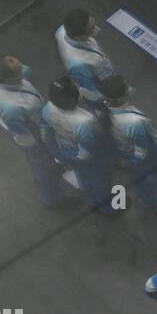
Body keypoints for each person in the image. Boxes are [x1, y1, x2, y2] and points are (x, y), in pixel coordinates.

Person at [100, 75, 157, 221]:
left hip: (125, 151)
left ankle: (147, 199)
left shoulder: (105, 111)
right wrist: (137, 161)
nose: (129, 89)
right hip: (148, 156)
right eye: (126, 88)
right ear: (120, 98)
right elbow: (143, 148)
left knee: (138, 178)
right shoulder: (134, 122)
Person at [0, 55, 67, 208]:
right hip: (32, 135)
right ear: (9, 79)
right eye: (19, 69)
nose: (24, 68)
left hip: (27, 127)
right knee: (45, 165)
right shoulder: (13, 106)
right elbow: (30, 131)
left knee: (39, 163)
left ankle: (40, 175)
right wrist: (42, 145)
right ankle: (53, 200)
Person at [40, 76, 115, 215]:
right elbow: (88, 147)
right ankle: (106, 208)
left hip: (67, 150)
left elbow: (46, 134)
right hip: (91, 158)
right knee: (101, 181)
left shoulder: (47, 109)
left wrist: (62, 156)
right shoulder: (84, 121)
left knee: (83, 178)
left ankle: (90, 201)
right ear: (71, 99)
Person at [54, 9, 114, 107]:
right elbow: (90, 88)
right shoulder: (79, 65)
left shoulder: (61, 31)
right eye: (92, 29)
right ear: (78, 37)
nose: (98, 29)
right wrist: (108, 96)